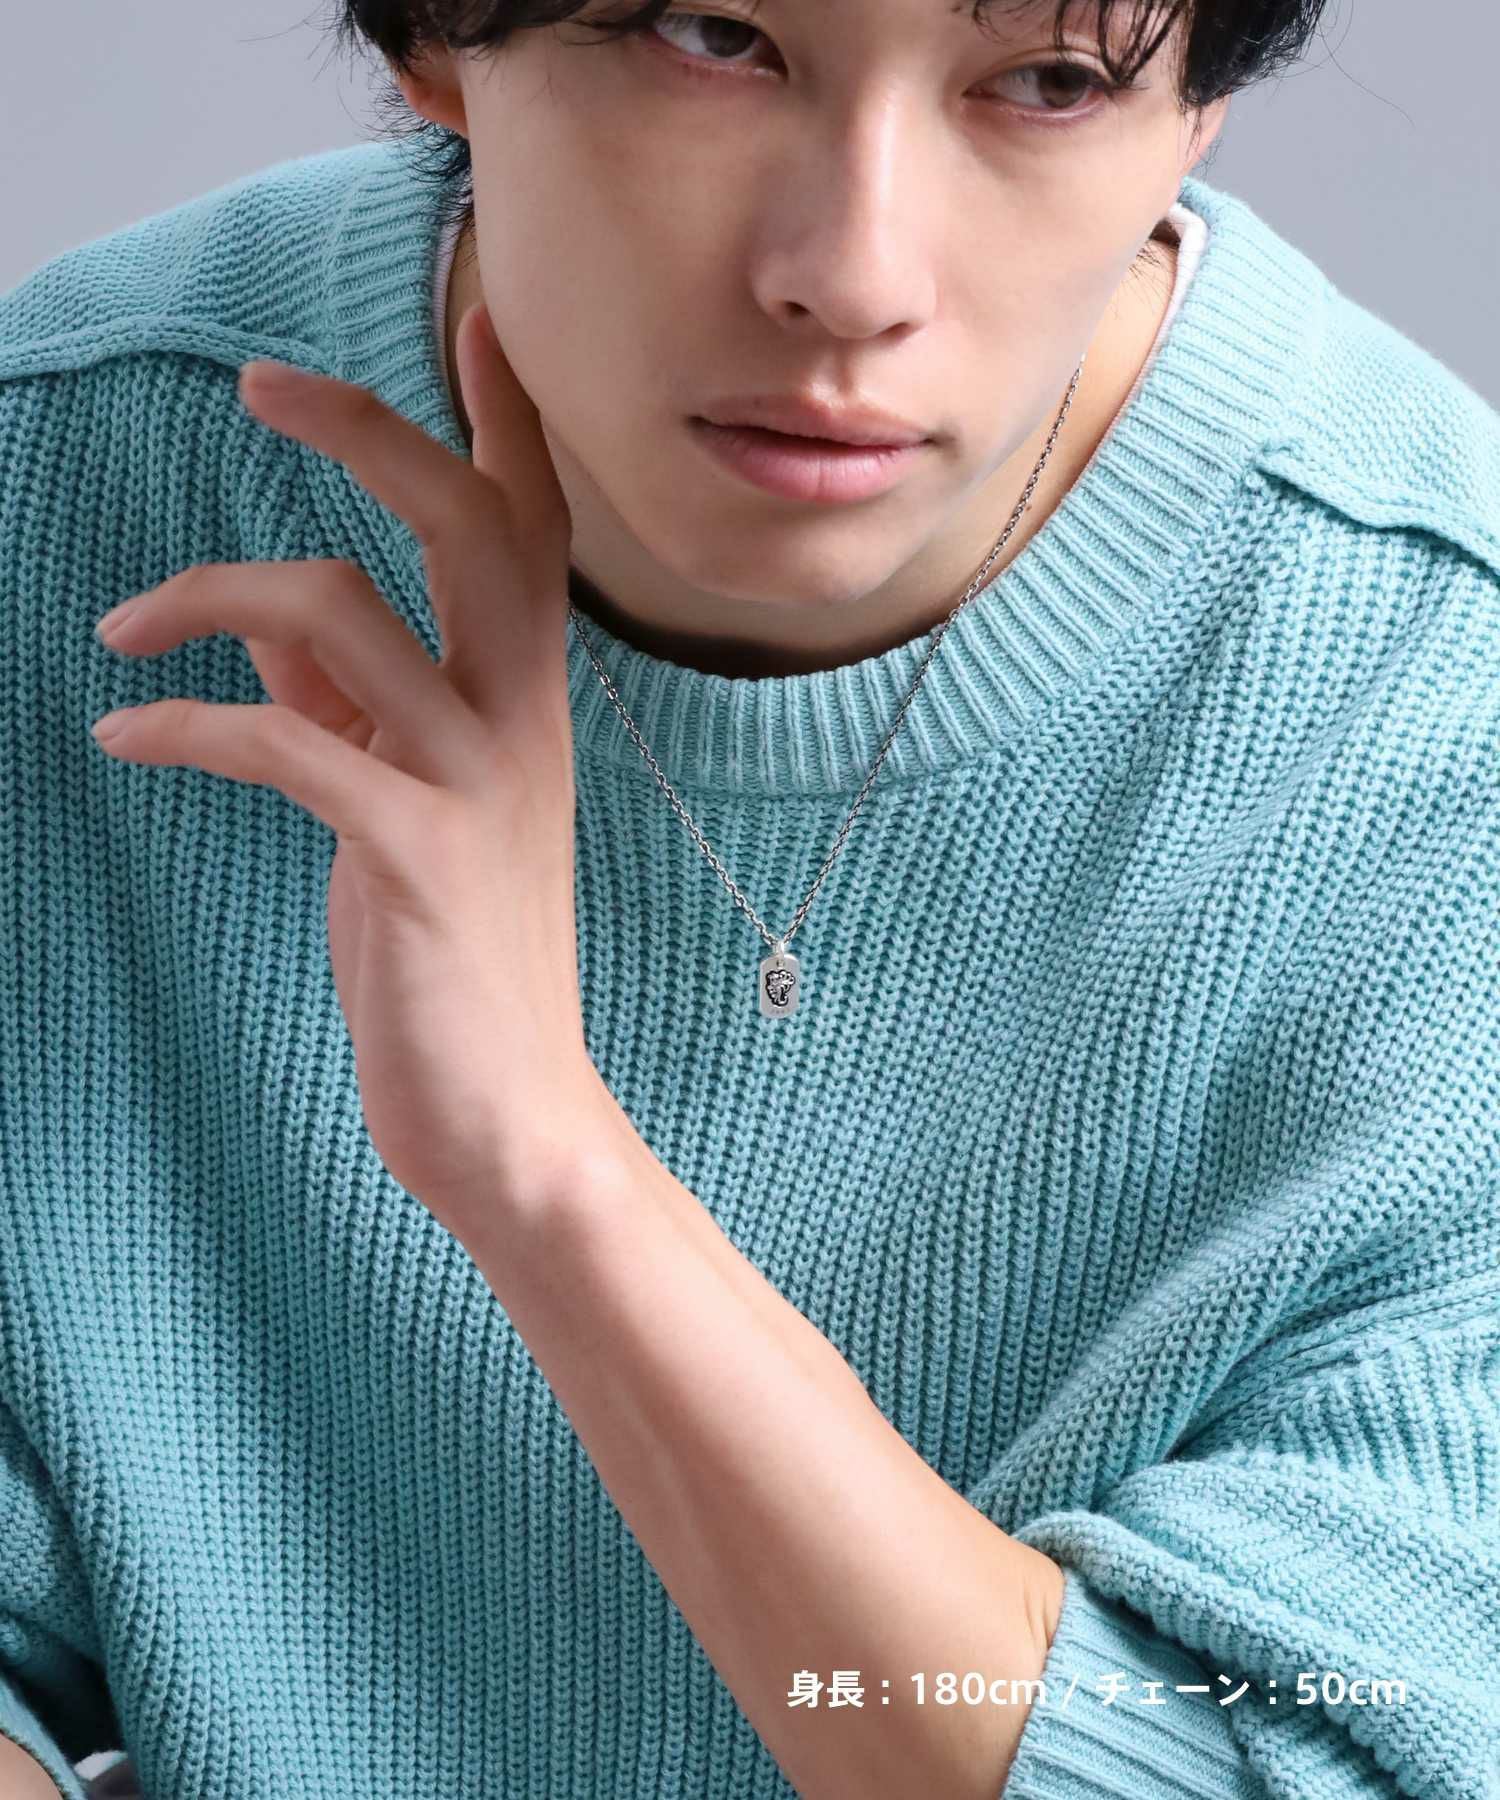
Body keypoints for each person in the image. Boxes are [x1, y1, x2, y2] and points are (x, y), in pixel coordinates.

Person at [1, 1, 1496, 1795]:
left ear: (1196, 112)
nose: (851, 278)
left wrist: (548, 1168)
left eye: (1051, 80)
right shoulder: (61, 481)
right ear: (437, 37)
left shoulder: (1444, 723)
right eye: (711, 37)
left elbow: (1312, 1757)